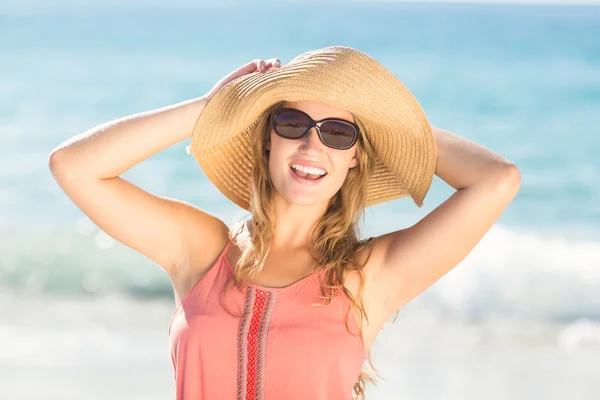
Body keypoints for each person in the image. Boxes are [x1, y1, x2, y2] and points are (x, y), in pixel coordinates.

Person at [49, 46, 521, 400]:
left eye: (339, 134)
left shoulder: (369, 276)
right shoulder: (203, 250)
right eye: (293, 124)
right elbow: (74, 166)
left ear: (355, 157)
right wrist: (210, 107)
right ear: (268, 140)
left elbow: (497, 181)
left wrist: (396, 126)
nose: (313, 147)